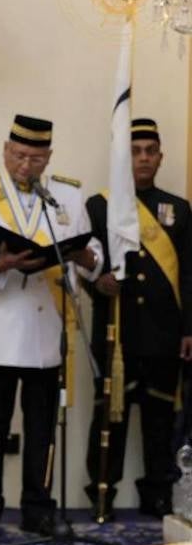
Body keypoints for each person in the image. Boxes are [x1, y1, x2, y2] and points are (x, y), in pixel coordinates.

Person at [0, 115, 103, 541]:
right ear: (5, 150)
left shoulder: (67, 197)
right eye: (19, 155)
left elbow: (92, 252)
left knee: (42, 426)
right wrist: (2, 263)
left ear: (48, 157)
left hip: (47, 331)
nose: (25, 164)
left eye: (36, 157)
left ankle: (39, 508)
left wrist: (86, 259)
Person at [84, 118, 192, 519]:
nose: (143, 158)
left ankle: (157, 497)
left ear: (160, 157)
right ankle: (102, 493)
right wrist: (100, 284)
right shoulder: (100, 205)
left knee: (161, 420)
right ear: (123, 157)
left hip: (164, 335)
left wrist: (189, 330)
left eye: (150, 151)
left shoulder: (178, 210)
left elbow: (189, 275)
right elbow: (88, 264)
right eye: (135, 151)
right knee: (109, 419)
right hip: (117, 334)